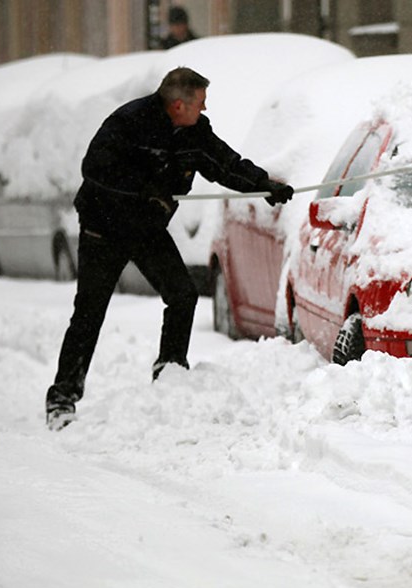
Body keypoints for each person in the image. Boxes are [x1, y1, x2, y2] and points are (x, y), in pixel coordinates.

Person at [45, 67, 293, 430]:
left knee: (182, 294)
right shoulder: (128, 122)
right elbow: (95, 167)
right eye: (201, 103)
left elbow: (223, 163)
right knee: (89, 312)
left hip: (145, 228)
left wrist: (263, 185)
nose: (204, 110)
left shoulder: (194, 131)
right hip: (104, 227)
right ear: (178, 104)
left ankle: (170, 374)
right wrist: (146, 188)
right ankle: (62, 399)